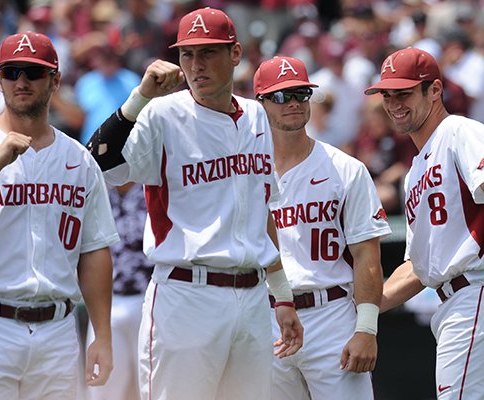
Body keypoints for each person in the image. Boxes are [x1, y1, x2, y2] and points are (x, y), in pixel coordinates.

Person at [85, 7, 303, 400]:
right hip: (187, 293)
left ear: (235, 54)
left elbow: (262, 211)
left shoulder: (256, 115)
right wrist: (140, 97)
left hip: (252, 297)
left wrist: (282, 294)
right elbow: (97, 161)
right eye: (187, 54)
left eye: (208, 53)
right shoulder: (162, 114)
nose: (196, 64)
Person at [365, 47, 484, 399]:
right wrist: (366, 306)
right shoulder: (414, 172)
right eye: (387, 94)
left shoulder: (458, 130)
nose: (394, 103)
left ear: (435, 90)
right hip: (464, 301)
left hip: (480, 292)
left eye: (405, 92)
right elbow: (418, 267)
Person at [0, 31, 118, 399]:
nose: (21, 81)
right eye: (12, 72)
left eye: (33, 73)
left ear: (55, 80)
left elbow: (94, 250)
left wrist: (102, 334)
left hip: (57, 331)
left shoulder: (79, 159)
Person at [253, 55, 392, 399]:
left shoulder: (346, 169)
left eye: (301, 93)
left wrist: (366, 328)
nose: (294, 104)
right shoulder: (247, 171)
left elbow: (367, 257)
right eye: (281, 96)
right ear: (262, 104)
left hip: (331, 314)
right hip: (267, 316)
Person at [86, 182, 153, 400]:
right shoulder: (97, 190)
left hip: (149, 299)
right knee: (103, 388)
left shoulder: (150, 188)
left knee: (149, 385)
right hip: (107, 302)